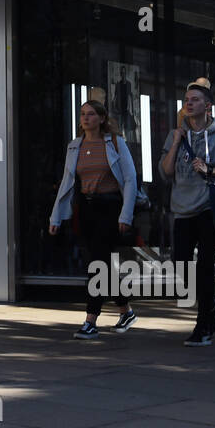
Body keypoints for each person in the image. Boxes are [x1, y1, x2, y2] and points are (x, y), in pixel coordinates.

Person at [159, 77, 215, 347]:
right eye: (187, 100)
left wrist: (211, 170)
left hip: (208, 209)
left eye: (195, 100)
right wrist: (175, 142)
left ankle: (203, 324)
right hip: (181, 210)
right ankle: (211, 304)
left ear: (208, 105)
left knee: (205, 266)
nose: (189, 104)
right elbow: (166, 173)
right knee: (182, 265)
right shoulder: (176, 134)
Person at [49, 100, 139, 338]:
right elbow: (67, 183)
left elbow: (130, 180)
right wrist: (56, 217)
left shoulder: (115, 143)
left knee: (96, 264)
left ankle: (91, 320)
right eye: (82, 114)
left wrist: (126, 214)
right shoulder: (74, 146)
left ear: (101, 118)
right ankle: (126, 310)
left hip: (110, 208)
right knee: (103, 264)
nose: (85, 118)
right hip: (86, 209)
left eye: (91, 114)